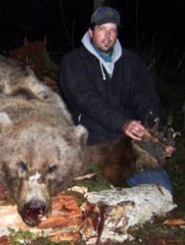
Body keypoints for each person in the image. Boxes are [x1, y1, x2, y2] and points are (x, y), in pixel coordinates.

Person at [58, 7, 174, 192]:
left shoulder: (131, 62)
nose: (107, 35)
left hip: (129, 146)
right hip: (92, 145)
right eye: (102, 29)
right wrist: (123, 122)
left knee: (162, 192)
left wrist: (155, 131)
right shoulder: (74, 62)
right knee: (92, 201)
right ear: (91, 31)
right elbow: (87, 99)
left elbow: (145, 97)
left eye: (112, 30)